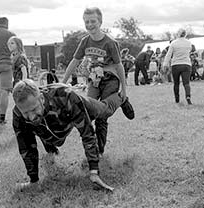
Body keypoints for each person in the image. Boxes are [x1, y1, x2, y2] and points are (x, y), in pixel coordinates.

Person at [12, 79, 126, 191]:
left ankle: (121, 98)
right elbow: (26, 147)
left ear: (41, 98)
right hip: (55, 125)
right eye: (26, 113)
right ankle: (50, 146)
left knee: (104, 110)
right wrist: (34, 180)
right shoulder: (18, 115)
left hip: (78, 107)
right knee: (40, 127)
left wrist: (93, 171)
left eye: (33, 109)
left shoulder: (65, 96)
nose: (31, 117)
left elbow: (87, 133)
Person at [61, 7, 134, 155]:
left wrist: (124, 90)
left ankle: (99, 150)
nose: (90, 24)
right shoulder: (84, 41)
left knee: (102, 115)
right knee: (88, 110)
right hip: (94, 80)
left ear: (100, 22)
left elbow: (119, 66)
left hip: (110, 79)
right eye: (86, 21)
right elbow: (74, 61)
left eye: (93, 21)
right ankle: (118, 101)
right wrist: (62, 82)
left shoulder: (110, 42)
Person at [163, 29, 193, 105]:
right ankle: (188, 96)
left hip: (176, 64)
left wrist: (165, 64)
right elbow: (189, 51)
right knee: (186, 82)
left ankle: (177, 99)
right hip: (186, 64)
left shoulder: (173, 43)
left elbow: (169, 55)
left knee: (176, 83)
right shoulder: (189, 43)